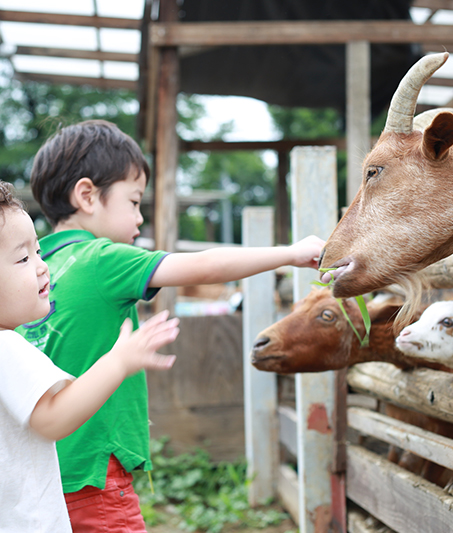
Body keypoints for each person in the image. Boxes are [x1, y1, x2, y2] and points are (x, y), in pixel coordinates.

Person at [18, 119, 325, 532]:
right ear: (87, 196)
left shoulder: (36, 271)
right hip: (95, 475)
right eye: (133, 201)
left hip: (38, 477)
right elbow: (206, 265)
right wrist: (290, 253)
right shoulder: (101, 258)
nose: (140, 219)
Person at [0, 170, 180, 532]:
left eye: (38, 251)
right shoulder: (3, 346)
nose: (42, 267)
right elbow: (53, 420)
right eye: (23, 259)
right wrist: (118, 361)